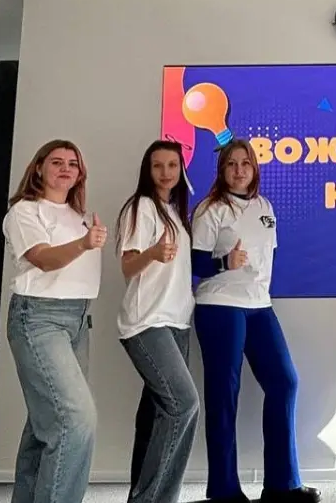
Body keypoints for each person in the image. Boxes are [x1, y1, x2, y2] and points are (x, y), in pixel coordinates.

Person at [190, 138, 320, 503]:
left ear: (254, 169)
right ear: (222, 170)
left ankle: (282, 486)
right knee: (224, 398)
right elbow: (194, 262)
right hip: (220, 305)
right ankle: (224, 492)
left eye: (245, 163)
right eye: (231, 164)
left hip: (259, 305)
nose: (239, 170)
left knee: (284, 382)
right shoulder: (210, 209)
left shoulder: (265, 206)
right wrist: (223, 263)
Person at [2, 139, 106, 503]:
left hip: (77, 320)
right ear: (39, 168)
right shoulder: (24, 212)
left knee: (44, 424)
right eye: (57, 161)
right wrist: (85, 244)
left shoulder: (80, 216)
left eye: (73, 164)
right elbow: (43, 259)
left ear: (80, 174)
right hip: (39, 319)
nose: (65, 168)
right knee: (75, 420)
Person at [115, 140, 200, 503]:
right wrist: (151, 252)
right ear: (147, 171)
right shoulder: (141, 207)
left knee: (155, 416)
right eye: (157, 166)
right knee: (183, 404)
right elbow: (127, 267)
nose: (166, 172)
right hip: (147, 322)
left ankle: (145, 495)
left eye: (172, 165)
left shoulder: (175, 212)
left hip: (177, 323)